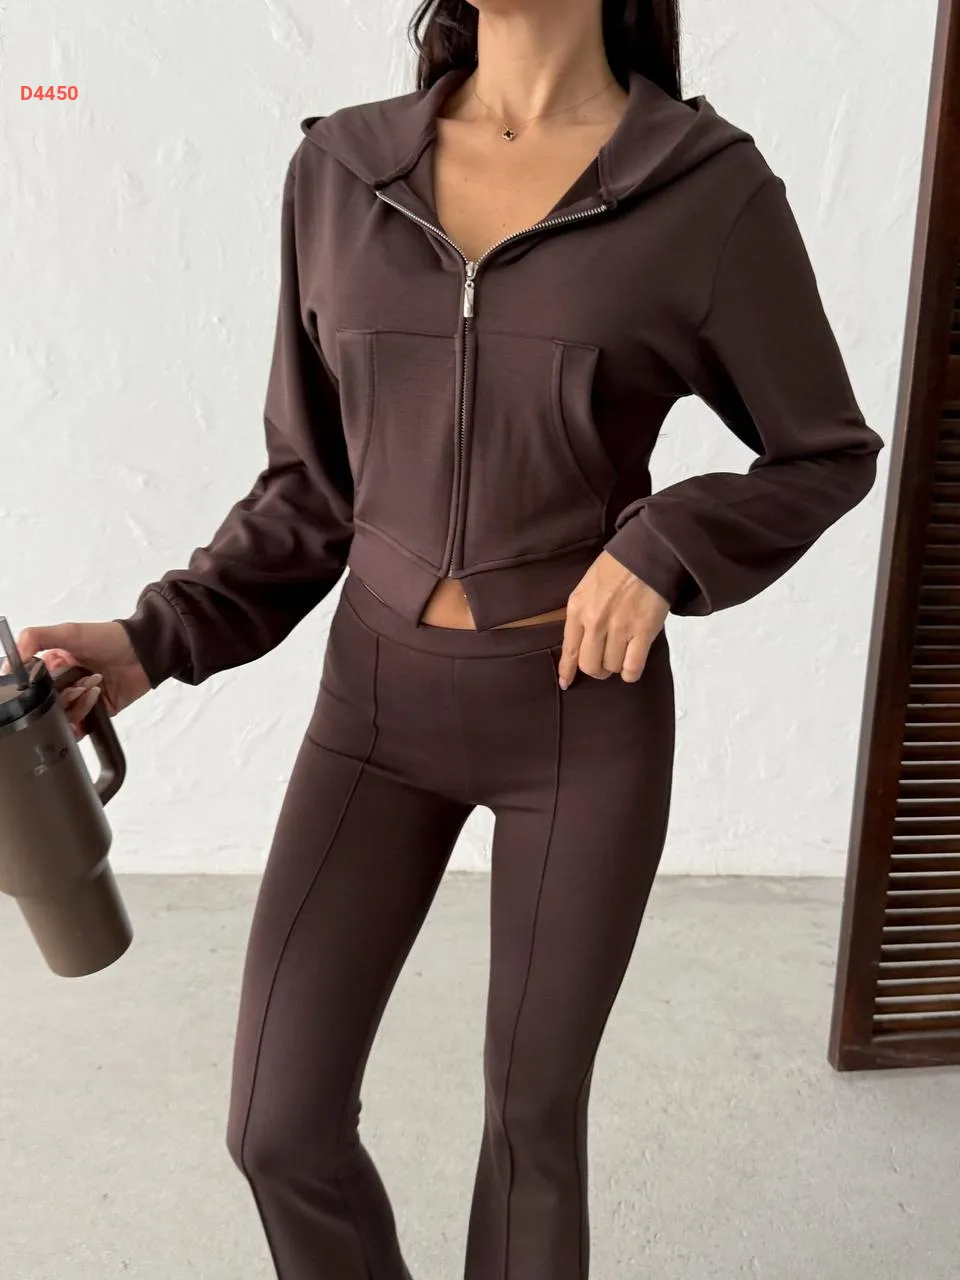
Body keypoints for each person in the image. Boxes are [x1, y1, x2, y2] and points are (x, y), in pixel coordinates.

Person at [12, 1, 885, 1277]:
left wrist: (667, 543)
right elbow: (313, 490)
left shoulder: (706, 190)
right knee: (277, 1125)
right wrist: (157, 638)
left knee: (531, 1129)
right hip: (373, 710)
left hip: (579, 715)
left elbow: (825, 450)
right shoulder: (340, 171)